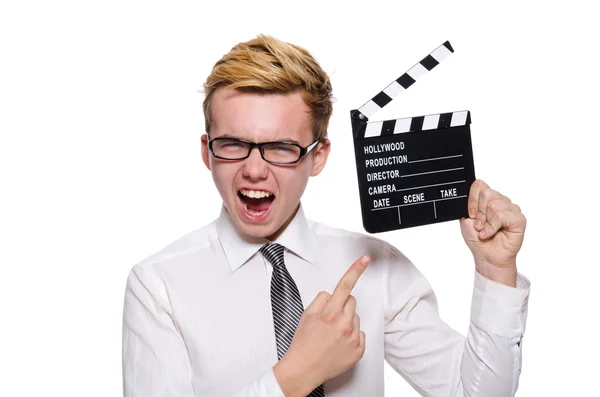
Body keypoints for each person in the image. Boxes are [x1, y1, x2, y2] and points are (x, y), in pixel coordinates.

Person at [122, 34, 530, 397]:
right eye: (232, 144)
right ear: (206, 152)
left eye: (281, 147)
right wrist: (295, 376)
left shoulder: (376, 267)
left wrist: (496, 272)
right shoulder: (158, 286)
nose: (254, 169)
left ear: (318, 157)